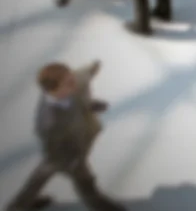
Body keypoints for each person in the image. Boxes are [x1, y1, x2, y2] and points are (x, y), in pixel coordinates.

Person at [5, 61, 126, 211]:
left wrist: (90, 105)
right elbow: (54, 150)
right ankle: (104, 207)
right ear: (54, 90)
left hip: (63, 154)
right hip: (65, 157)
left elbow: (84, 77)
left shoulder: (70, 86)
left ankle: (18, 206)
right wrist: (75, 162)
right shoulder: (49, 122)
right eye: (69, 83)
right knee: (87, 185)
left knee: (38, 178)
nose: (74, 84)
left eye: (72, 78)